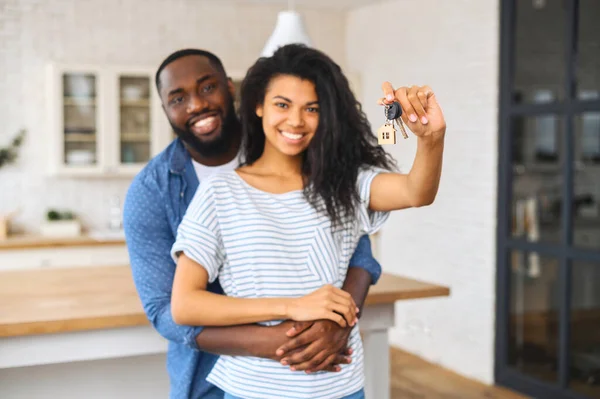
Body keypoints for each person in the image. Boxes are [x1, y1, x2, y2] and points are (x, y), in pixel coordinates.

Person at [169, 44, 446, 399]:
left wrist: (432, 140)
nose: (296, 121)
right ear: (258, 106)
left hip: (339, 387)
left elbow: (415, 191)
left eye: (311, 108)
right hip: (253, 390)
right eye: (282, 105)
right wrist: (291, 304)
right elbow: (185, 305)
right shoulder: (220, 194)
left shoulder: (345, 183)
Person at [123, 48, 384, 399]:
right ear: (165, 110)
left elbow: (356, 250)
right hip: (207, 374)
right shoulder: (150, 192)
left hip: (321, 366)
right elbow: (166, 310)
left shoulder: (287, 141)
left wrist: (337, 324)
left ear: (231, 89)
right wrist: (279, 341)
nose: (196, 105)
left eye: (207, 88)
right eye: (178, 98)